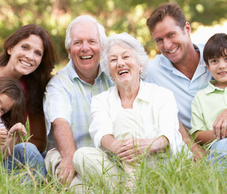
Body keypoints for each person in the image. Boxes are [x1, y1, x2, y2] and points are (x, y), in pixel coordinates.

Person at [73, 33, 190, 190]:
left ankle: (129, 188)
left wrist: (147, 145)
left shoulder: (163, 94)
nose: (120, 63)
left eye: (126, 57)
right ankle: (135, 186)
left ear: (140, 65)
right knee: (81, 156)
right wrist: (116, 146)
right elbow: (101, 133)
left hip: (159, 164)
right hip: (121, 166)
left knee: (125, 118)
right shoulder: (100, 100)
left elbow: (170, 134)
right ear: (110, 72)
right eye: (113, 60)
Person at [44, 15, 114, 187]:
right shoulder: (59, 84)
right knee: (76, 186)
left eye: (91, 41)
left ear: (102, 47)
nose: (85, 48)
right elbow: (60, 121)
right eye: (77, 43)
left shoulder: (114, 76)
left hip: (108, 156)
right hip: (68, 153)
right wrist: (70, 157)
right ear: (69, 50)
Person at [0, 24, 57, 178]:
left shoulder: (33, 88)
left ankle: (36, 185)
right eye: (25, 47)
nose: (30, 56)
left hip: (5, 156)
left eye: (38, 53)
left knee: (30, 151)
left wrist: (10, 142)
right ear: (10, 48)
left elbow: (38, 140)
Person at [145, 3, 213, 159]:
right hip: (189, 150)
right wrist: (194, 149)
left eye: (171, 35)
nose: (167, 45)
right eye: (159, 40)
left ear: (187, 29)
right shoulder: (151, 72)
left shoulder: (215, 56)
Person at [190, 33, 227, 170]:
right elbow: (197, 135)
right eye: (215, 61)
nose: (222, 66)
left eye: (226, 59)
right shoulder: (201, 97)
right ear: (207, 65)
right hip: (219, 148)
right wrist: (224, 133)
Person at [0, 77, 26, 172]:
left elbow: (1, 155)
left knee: (28, 149)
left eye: (3, 110)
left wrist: (12, 135)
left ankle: (33, 182)